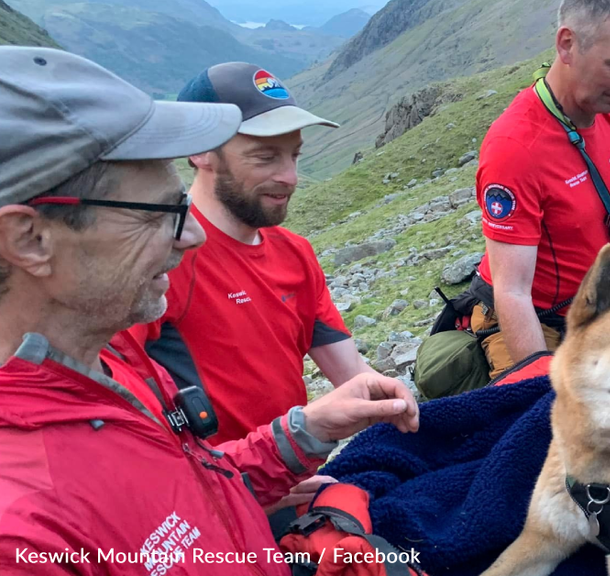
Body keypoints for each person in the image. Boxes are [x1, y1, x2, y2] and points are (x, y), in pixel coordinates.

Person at [0, 46, 419, 574]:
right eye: (162, 214)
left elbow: (179, 485)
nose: (192, 234)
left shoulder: (110, 364)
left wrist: (299, 437)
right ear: (30, 239)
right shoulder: (22, 535)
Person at [132, 62, 387, 448]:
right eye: (266, 157)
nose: (290, 176)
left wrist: (413, 415)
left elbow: (352, 374)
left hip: (293, 478)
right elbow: (119, 408)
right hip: (207, 491)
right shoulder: (161, 260)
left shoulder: (295, 254)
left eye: (294, 156)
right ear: (201, 152)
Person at [469, 0, 610, 379]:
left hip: (595, 311)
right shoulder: (515, 147)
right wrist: (543, 384)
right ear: (567, 45)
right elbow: (512, 293)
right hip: (534, 319)